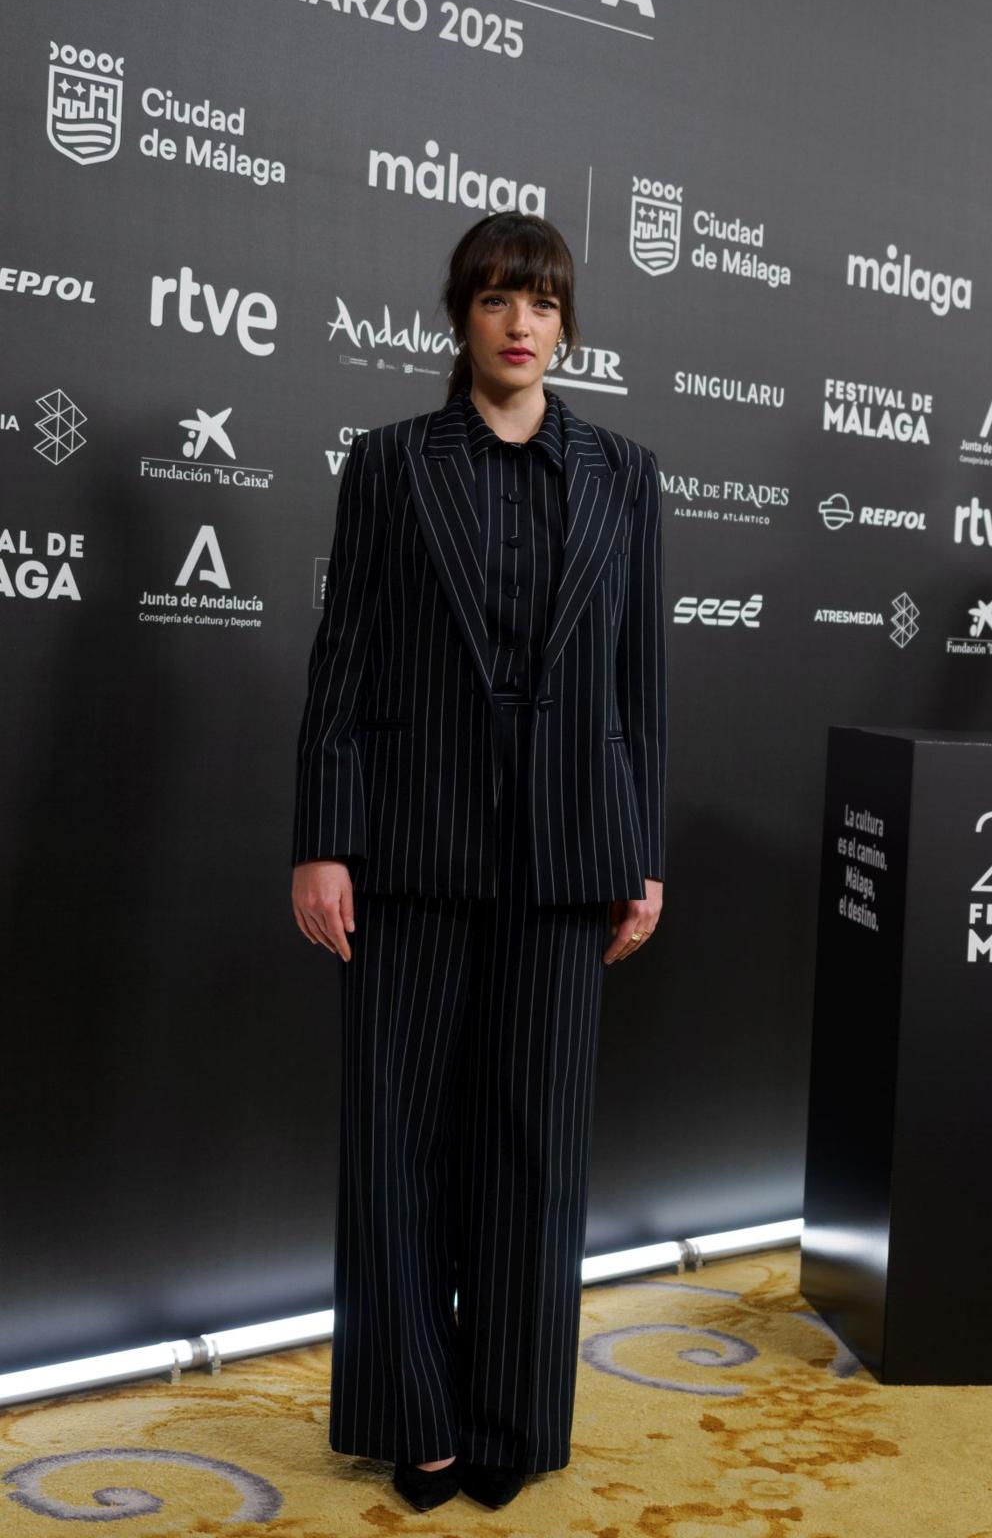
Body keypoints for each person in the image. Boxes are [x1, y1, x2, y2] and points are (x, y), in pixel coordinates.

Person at [290, 211, 668, 1514]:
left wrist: (645, 854)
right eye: (500, 298)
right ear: (460, 315)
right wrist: (323, 843)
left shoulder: (624, 473)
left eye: (545, 302)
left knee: (536, 1146)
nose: (522, 322)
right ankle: (418, 1412)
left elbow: (638, 690)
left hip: (569, 856)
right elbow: (342, 660)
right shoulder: (391, 465)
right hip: (412, 845)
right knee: (396, 1141)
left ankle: (512, 1409)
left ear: (568, 324)